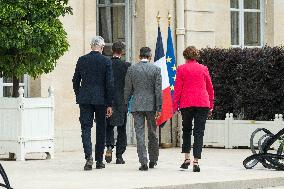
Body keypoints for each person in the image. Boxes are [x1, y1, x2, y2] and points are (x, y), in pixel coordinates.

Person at [72, 36, 114, 171]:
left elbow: (75, 80)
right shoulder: (106, 61)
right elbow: (110, 84)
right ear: (101, 47)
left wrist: (79, 94)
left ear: (91, 46)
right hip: (101, 100)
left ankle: (88, 157)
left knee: (85, 128)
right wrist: (109, 103)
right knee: (101, 129)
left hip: (85, 99)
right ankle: (99, 160)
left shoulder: (82, 60)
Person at [173, 46, 214, 172]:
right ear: (196, 56)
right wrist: (211, 105)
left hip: (186, 103)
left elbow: (178, 88)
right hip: (202, 102)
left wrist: (175, 106)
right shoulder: (203, 68)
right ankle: (196, 161)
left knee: (186, 130)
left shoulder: (181, 69)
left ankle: (186, 158)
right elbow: (210, 88)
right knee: (199, 132)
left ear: (185, 56)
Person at [124, 47, 162, 171]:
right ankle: (153, 160)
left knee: (139, 134)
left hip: (137, 104)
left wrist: (125, 103)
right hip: (151, 105)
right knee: (152, 133)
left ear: (139, 56)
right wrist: (159, 107)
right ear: (150, 56)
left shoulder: (132, 69)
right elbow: (158, 91)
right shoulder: (156, 69)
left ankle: (143, 162)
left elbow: (128, 89)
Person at [105, 41, 131, 164]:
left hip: (108, 100)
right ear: (123, 52)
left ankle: (109, 146)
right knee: (121, 129)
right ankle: (119, 156)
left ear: (112, 51)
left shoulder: (106, 63)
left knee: (108, 126)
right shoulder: (126, 66)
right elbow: (130, 85)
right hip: (121, 101)